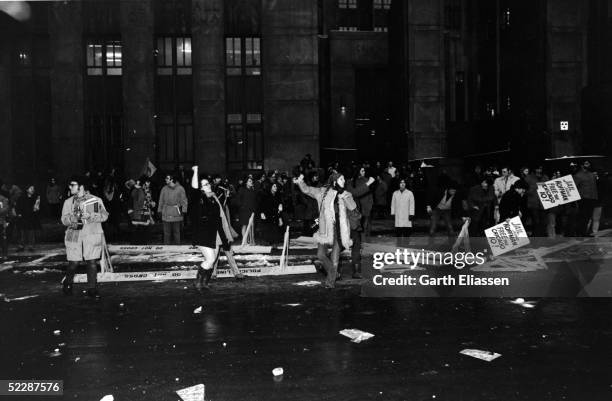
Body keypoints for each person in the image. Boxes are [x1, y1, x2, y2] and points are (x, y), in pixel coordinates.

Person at [294, 172, 357, 288]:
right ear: (334, 181)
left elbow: (353, 207)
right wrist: (300, 182)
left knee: (335, 257)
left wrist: (344, 196)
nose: (344, 181)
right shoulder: (322, 192)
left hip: (339, 230)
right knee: (320, 254)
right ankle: (333, 273)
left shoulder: (346, 194)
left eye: (344, 179)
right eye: (341, 179)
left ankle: (330, 282)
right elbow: (307, 190)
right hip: (325, 229)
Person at [190, 166, 241, 291]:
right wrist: (196, 171)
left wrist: (224, 238)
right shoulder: (199, 198)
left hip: (213, 234)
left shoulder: (213, 198)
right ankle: (197, 282)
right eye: (205, 184)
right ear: (201, 188)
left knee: (212, 261)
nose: (208, 185)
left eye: (208, 183)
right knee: (211, 259)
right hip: (202, 234)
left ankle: (204, 283)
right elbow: (194, 188)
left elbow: (219, 220)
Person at [61, 176, 109, 298]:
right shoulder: (68, 202)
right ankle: (68, 282)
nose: (70, 187)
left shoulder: (95, 200)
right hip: (74, 235)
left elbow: (104, 215)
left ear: (81, 186)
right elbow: (63, 220)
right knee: (74, 262)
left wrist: (91, 216)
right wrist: (70, 219)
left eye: (73, 185)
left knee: (91, 262)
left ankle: (92, 288)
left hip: (91, 234)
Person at [158, 174, 188, 245]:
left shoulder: (180, 188)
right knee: (166, 233)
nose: (166, 179)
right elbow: (161, 200)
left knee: (176, 232)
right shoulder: (164, 188)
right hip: (166, 212)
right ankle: (166, 248)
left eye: (167, 178)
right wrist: (159, 210)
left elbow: (184, 200)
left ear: (172, 180)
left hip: (176, 212)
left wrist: (183, 210)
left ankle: (177, 248)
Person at [573, 160, 598, 236]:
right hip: (583, 198)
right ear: (582, 165)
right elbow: (574, 187)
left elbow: (595, 186)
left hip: (592, 198)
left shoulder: (591, 175)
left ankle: (584, 232)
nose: (588, 165)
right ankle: (579, 233)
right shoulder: (578, 175)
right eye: (586, 164)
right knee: (582, 216)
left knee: (588, 216)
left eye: (588, 163)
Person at [348, 166, 374, 237]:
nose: (364, 172)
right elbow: (355, 193)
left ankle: (366, 239)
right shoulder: (353, 181)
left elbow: (370, 195)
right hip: (357, 207)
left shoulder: (365, 180)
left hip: (365, 207)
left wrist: (370, 205)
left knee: (365, 225)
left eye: (364, 171)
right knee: (359, 225)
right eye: (362, 171)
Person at [524, 166, 549, 236]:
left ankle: (543, 240)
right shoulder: (528, 178)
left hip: (544, 204)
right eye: (538, 168)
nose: (539, 170)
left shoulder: (545, 177)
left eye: (541, 168)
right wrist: (534, 187)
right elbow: (524, 190)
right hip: (533, 204)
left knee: (543, 222)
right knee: (536, 222)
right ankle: (536, 240)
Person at [15, 185, 41, 252]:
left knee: (31, 232)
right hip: (23, 217)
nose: (33, 190)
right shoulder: (21, 198)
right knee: (22, 232)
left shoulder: (35, 198)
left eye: (33, 188)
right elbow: (17, 206)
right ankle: (21, 246)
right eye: (31, 188)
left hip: (31, 217)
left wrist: (36, 208)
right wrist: (18, 214)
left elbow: (36, 208)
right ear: (27, 189)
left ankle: (31, 246)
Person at [0, 190, 8, 260]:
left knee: (2, 238)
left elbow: (5, 209)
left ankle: (4, 254)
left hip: (1, 222)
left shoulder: (3, 199)